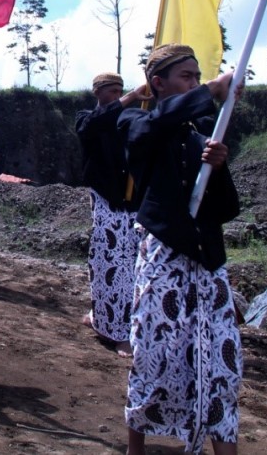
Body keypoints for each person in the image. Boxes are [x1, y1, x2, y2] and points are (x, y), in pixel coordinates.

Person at [117, 44, 242, 455]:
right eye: (186, 77)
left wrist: (218, 170)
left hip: (208, 265)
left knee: (221, 365)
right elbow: (152, 127)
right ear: (158, 83)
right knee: (156, 355)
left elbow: (225, 209)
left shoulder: (202, 133)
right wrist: (208, 91)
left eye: (197, 76)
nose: (193, 82)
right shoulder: (136, 122)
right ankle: (137, 447)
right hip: (165, 259)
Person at [75, 71, 150, 356]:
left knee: (131, 267)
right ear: (98, 92)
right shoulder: (86, 118)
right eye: (112, 90)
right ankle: (113, 328)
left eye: (121, 89)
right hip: (106, 202)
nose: (118, 94)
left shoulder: (128, 120)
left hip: (132, 205)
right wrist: (132, 96)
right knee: (109, 264)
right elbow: (93, 125)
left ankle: (122, 324)